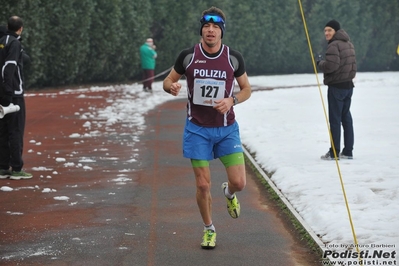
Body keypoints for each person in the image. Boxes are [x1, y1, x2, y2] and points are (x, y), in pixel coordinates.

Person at [163, 6, 251, 249]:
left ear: (221, 31)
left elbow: (246, 89)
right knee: (202, 184)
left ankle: (229, 193)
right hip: (197, 129)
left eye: (215, 27)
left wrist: (231, 100)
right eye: (206, 26)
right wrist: (170, 86)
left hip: (226, 129)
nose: (210, 30)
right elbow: (168, 79)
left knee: (240, 183)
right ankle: (209, 228)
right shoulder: (188, 56)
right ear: (201, 29)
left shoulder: (233, 58)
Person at [317, 19, 357, 160]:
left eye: (329, 30)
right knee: (346, 118)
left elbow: (331, 66)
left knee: (335, 120)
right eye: (325, 30)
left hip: (337, 88)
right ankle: (348, 151)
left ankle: (334, 153)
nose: (327, 33)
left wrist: (320, 63)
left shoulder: (333, 45)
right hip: (348, 87)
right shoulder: (349, 44)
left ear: (336, 31)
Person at [0, 16, 32, 180]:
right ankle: (17, 169)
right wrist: (8, 89)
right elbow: (10, 65)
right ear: (20, 28)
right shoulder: (14, 43)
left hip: (2, 94)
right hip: (14, 93)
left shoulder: (3, 40)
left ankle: (3, 166)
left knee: (3, 130)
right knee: (16, 130)